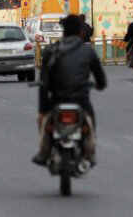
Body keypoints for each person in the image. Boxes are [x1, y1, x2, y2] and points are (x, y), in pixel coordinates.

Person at [33, 15, 107, 167]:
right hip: (81, 100)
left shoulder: (50, 50)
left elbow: (43, 84)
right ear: (81, 32)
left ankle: (44, 151)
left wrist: (42, 110)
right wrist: (99, 85)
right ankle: (90, 151)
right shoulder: (88, 51)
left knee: (44, 122)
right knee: (90, 121)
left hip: (57, 100)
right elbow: (101, 79)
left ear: (63, 31)